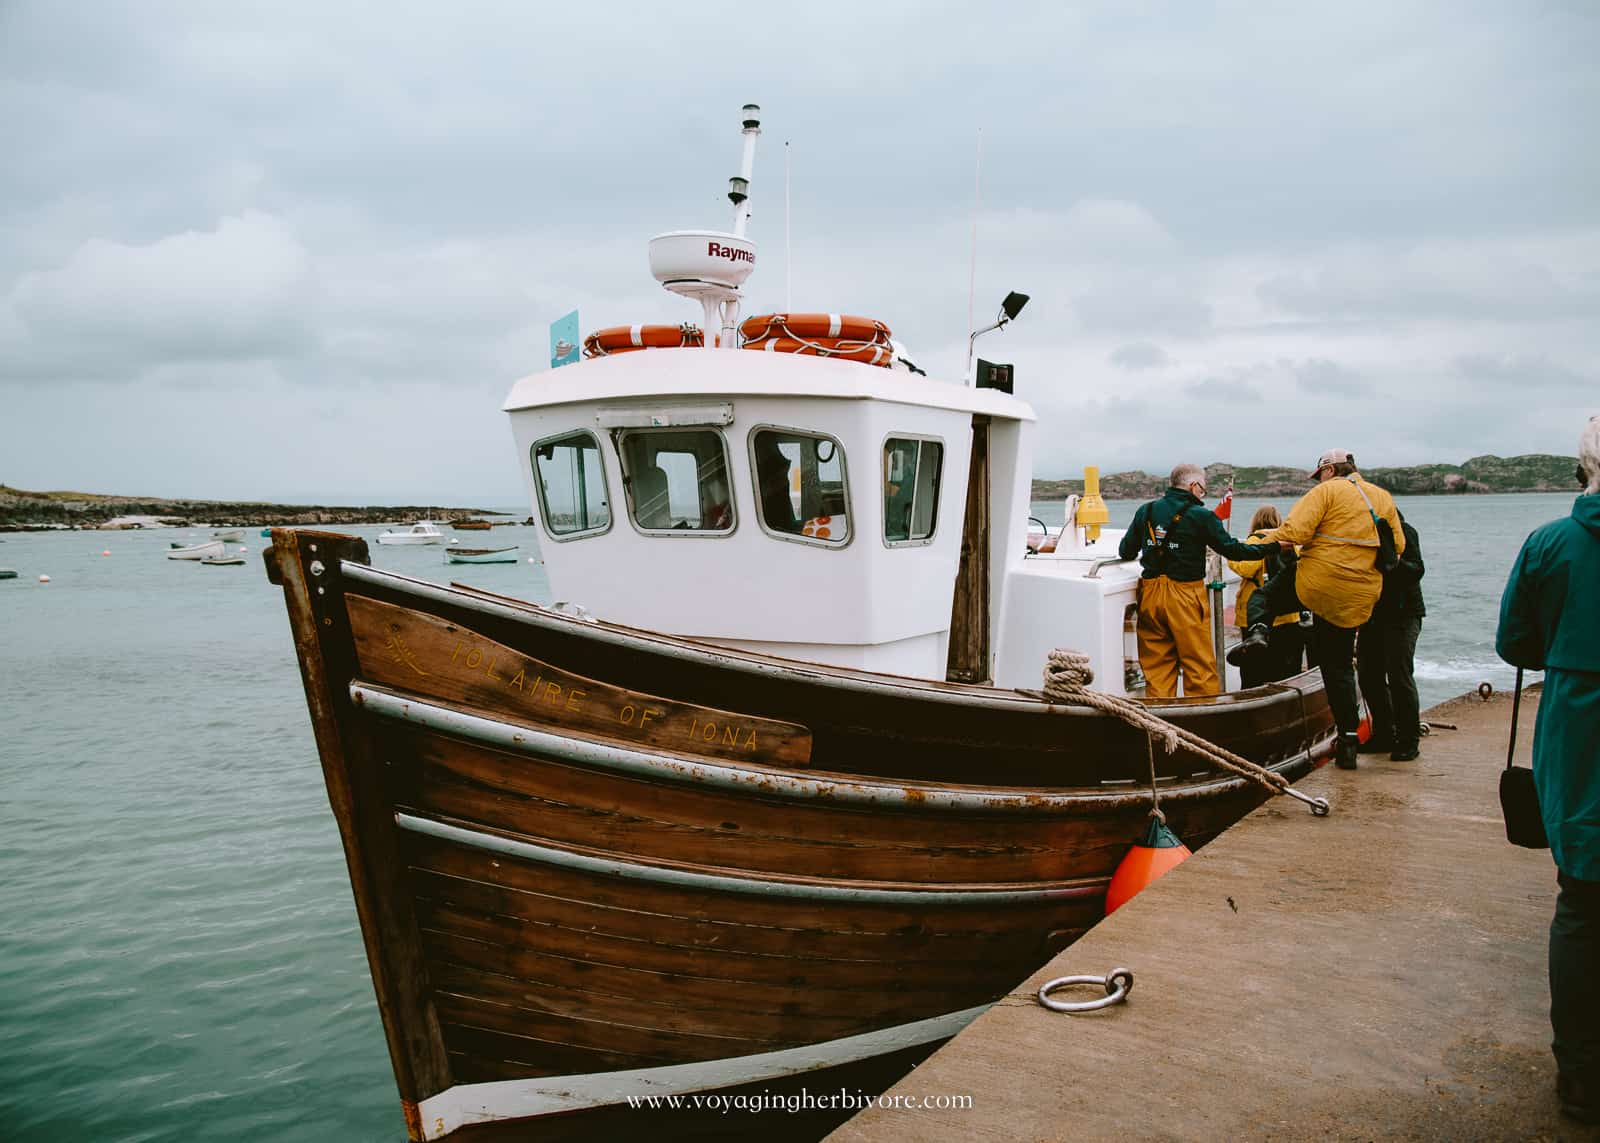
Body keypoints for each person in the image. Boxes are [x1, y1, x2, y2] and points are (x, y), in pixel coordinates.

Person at [1495, 414, 1600, 1125]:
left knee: (1582, 901)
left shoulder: (1549, 543)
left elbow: (1514, 642)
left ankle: (1583, 1081)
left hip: (1581, 725)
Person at [1228, 448, 1404, 770]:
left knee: (1263, 598)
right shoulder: (1381, 497)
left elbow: (1293, 533)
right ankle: (1348, 740)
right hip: (1359, 595)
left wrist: (1247, 546)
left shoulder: (1326, 492)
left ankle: (1258, 633)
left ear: (1328, 471)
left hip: (1318, 584)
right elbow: (1399, 546)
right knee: (1338, 667)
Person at [1117, 464, 1278, 699]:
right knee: (1198, 667)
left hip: (1150, 594)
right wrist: (1273, 547)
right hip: (1185, 594)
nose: (1203, 494)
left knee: (1157, 669)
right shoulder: (1201, 516)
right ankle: (1202, 722)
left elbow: (1126, 551)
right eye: (1203, 489)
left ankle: (1161, 722)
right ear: (1194, 486)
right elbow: (1233, 550)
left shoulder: (1146, 511)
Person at [1356, 511, 1425, 760]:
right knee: (1368, 674)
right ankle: (1385, 733)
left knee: (1399, 675)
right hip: (1372, 615)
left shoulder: (1406, 532)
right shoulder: (1361, 538)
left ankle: (1409, 739)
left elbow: (1415, 570)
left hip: (1404, 614)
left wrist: (1390, 556)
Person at [1228, 505, 1310, 687]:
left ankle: (1253, 708)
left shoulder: (1254, 542)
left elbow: (1244, 567)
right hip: (1288, 617)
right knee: (1288, 670)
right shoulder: (1289, 542)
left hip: (1256, 616)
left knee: (1254, 671)